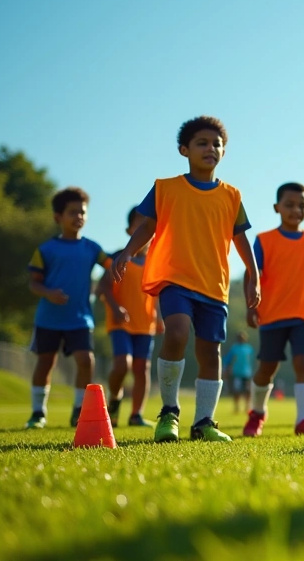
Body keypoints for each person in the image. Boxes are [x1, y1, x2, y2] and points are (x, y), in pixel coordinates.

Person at [112, 115, 260, 443]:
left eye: (217, 144)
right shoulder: (165, 188)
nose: (211, 148)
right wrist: (126, 251)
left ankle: (203, 422)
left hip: (214, 285)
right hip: (175, 278)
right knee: (176, 333)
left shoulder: (232, 196)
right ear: (184, 150)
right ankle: (169, 412)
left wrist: (253, 273)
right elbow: (147, 226)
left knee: (210, 353)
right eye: (202, 143)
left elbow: (240, 239)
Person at [242, 183, 304, 438]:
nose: (296, 210)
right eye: (289, 205)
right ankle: (257, 414)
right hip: (271, 315)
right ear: (277, 208)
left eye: (301, 205)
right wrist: (251, 306)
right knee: (266, 368)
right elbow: (252, 274)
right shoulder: (264, 240)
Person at [25, 187, 113, 429]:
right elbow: (33, 282)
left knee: (86, 361)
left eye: (82, 212)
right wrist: (48, 293)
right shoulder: (45, 250)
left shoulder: (92, 248)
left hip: (80, 318)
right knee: (45, 363)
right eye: (72, 213)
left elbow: (112, 266)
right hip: (49, 319)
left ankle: (79, 410)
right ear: (58, 217)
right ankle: (37, 413)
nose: (79, 217)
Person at [99, 207, 161, 428]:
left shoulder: (156, 261)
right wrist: (115, 308)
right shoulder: (118, 258)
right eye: (139, 224)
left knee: (142, 369)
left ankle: (136, 414)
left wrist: (160, 318)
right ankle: (114, 400)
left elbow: (157, 293)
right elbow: (103, 287)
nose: (145, 228)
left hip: (146, 324)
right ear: (129, 231)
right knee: (122, 365)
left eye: (149, 224)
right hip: (120, 323)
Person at [223, 332, 255, 413]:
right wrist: (226, 369)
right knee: (237, 390)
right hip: (237, 372)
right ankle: (236, 406)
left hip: (247, 373)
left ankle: (247, 406)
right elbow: (228, 359)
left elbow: (252, 361)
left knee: (248, 390)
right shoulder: (234, 348)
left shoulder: (249, 349)